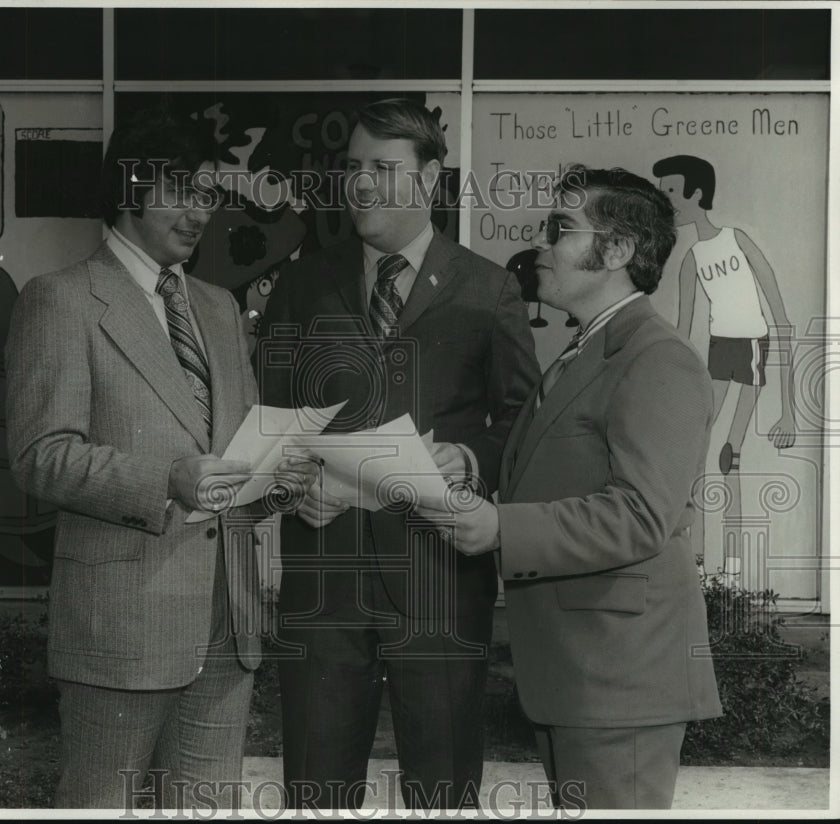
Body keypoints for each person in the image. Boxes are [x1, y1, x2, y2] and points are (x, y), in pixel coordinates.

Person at [5, 108, 314, 809]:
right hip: (120, 623)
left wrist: (280, 480)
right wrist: (165, 481)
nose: (199, 211)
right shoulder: (61, 301)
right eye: (182, 190)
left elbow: (235, 460)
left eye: (209, 194)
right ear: (128, 188)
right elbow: (38, 455)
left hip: (226, 619)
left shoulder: (219, 308)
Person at [255, 97, 539, 811]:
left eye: (383, 168)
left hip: (440, 575)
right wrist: (293, 485)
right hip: (324, 579)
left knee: (442, 790)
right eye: (353, 168)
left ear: (430, 178)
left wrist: (471, 463)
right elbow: (272, 424)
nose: (362, 184)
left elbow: (523, 424)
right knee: (316, 791)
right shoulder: (302, 283)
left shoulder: (489, 288)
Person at [416, 165, 723, 809]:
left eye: (560, 229)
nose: (541, 247)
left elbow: (641, 515)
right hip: (583, 676)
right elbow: (556, 469)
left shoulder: (656, 358)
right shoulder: (586, 350)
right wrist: (469, 466)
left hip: (621, 679)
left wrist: (501, 529)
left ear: (616, 251)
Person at [653, 154, 796, 579]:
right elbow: (682, 331)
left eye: (672, 194)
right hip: (718, 350)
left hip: (752, 346)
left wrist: (788, 409)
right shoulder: (692, 259)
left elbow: (781, 319)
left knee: (728, 454)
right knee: (697, 453)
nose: (668, 205)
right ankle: (696, 563)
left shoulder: (737, 240)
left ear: (696, 194)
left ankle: (732, 570)